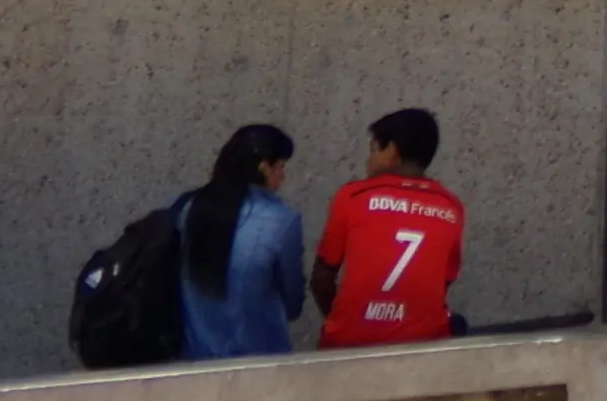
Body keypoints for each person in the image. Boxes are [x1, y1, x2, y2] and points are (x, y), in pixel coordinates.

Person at [312, 107, 465, 349]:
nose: (368, 160)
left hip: (347, 343)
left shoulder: (353, 197)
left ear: (392, 152)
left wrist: (350, 320)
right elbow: (441, 284)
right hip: (422, 347)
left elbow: (320, 280)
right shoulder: (451, 207)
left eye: (373, 149)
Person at [176, 123, 304, 359]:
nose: (283, 176)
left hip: (193, 362)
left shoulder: (187, 208)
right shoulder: (281, 221)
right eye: (281, 167)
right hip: (260, 363)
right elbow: (294, 302)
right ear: (264, 168)